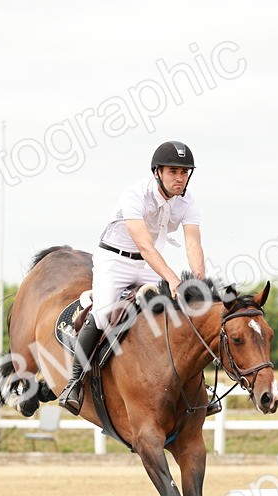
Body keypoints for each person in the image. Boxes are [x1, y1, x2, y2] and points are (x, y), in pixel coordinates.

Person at [57, 140, 221, 416]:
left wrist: (199, 282)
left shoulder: (189, 202)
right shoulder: (134, 195)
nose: (179, 178)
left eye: (184, 172)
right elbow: (145, 245)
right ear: (157, 172)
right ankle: (74, 382)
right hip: (115, 260)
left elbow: (193, 244)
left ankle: (201, 388)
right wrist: (172, 279)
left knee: (182, 317)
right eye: (173, 172)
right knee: (103, 315)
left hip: (148, 265)